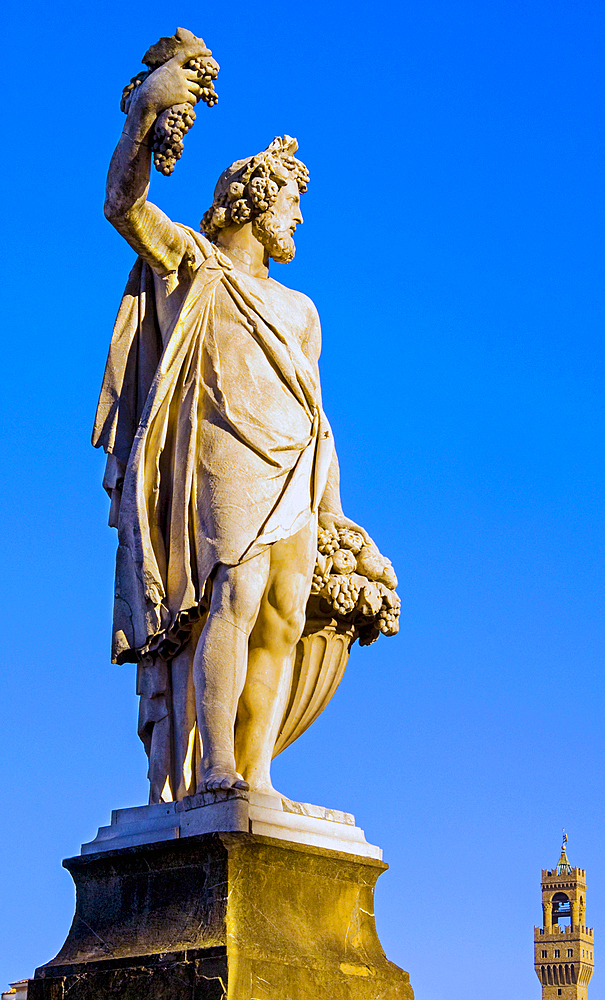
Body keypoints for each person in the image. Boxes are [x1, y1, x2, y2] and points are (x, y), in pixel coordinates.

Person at [94, 39, 368, 803]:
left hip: (292, 467)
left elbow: (319, 419)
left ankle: (258, 775)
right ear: (250, 202)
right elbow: (124, 205)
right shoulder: (190, 264)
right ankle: (213, 769)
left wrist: (333, 508)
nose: (299, 219)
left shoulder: (302, 310)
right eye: (290, 204)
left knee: (282, 614)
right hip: (223, 458)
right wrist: (149, 109)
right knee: (233, 598)